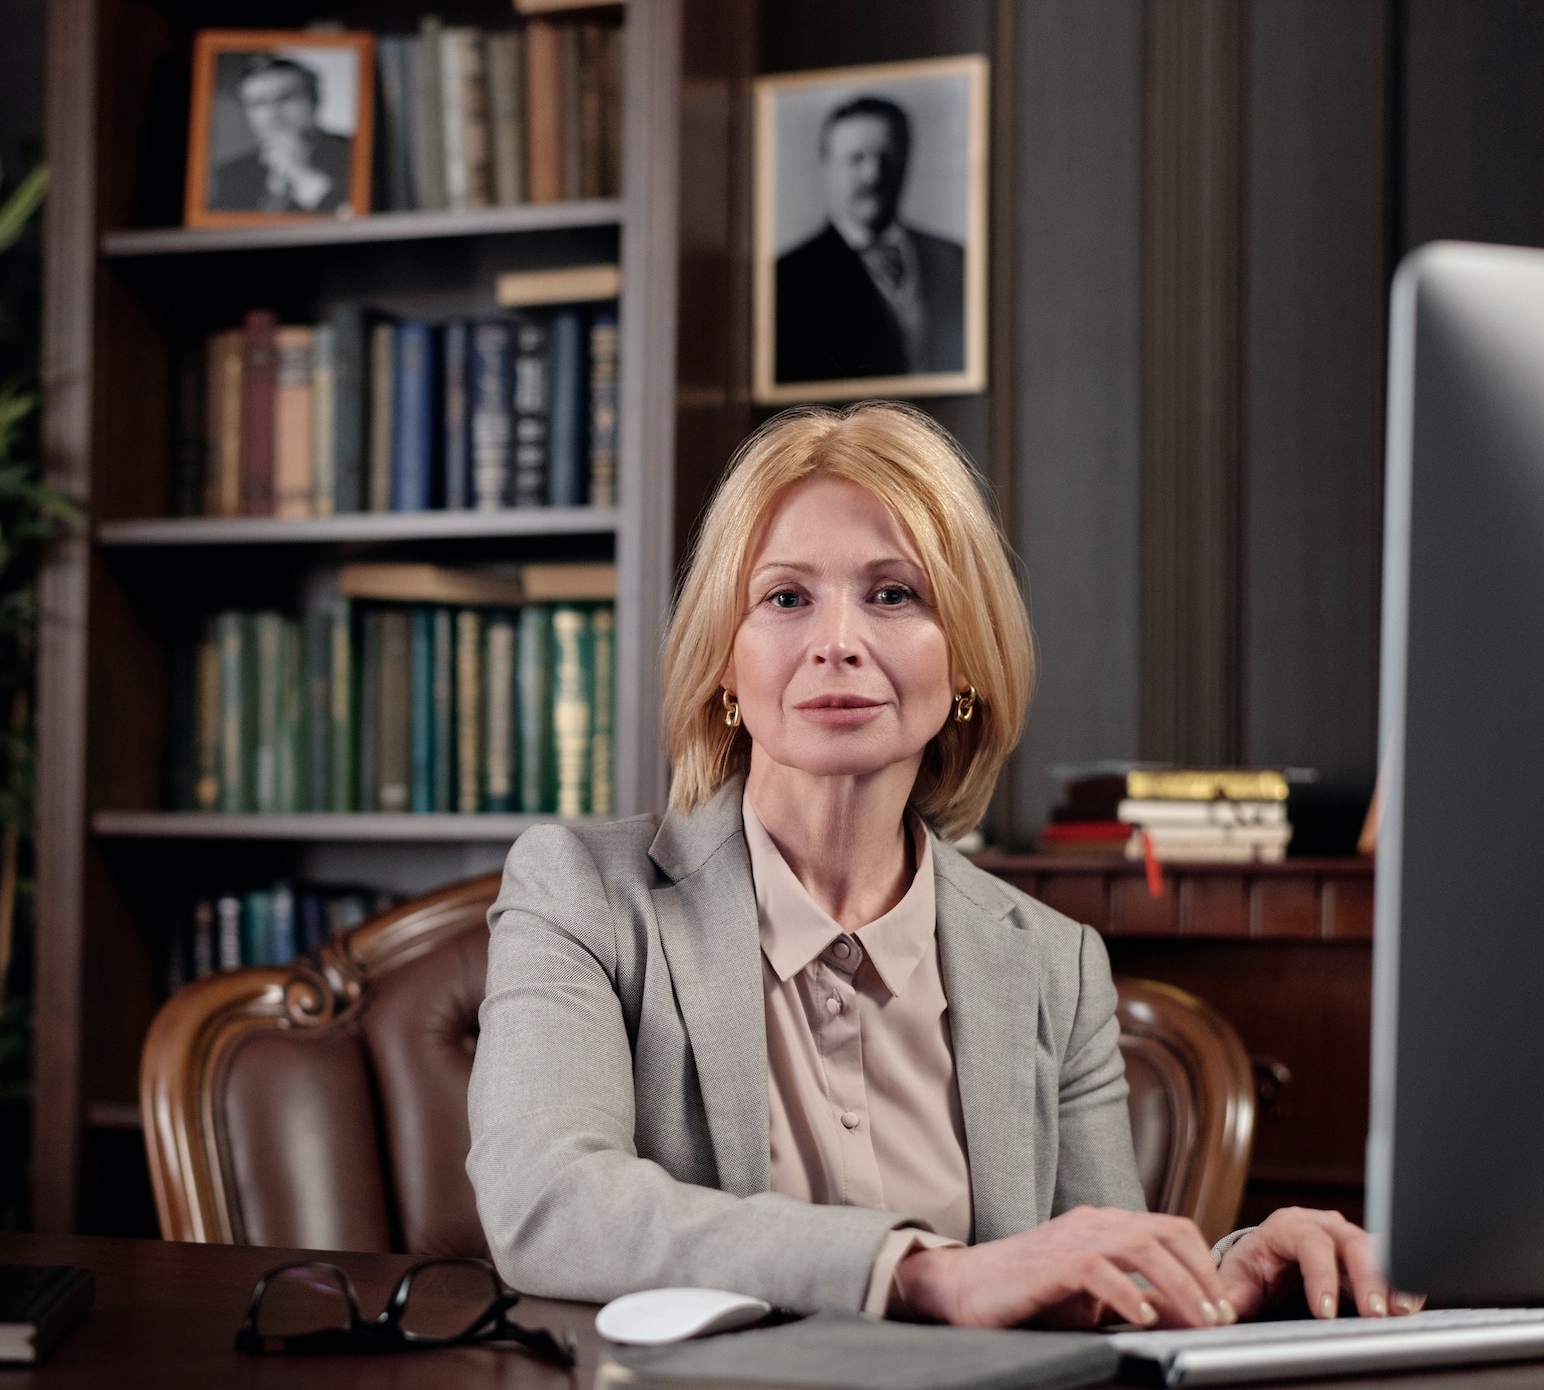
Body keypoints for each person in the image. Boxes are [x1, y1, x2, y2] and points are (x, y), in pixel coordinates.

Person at [467, 404, 1415, 1327]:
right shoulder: (582, 893)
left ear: (964, 658)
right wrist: (919, 1273)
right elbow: (547, 1201)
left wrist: (1231, 1268)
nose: (837, 641)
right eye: (785, 596)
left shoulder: (1054, 963)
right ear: (724, 659)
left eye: (894, 593)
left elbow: (1097, 1277)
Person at [773, 97, 965, 383]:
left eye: (886, 157)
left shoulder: (955, 259)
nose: (873, 175)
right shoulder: (788, 277)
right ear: (827, 167)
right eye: (856, 158)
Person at [210, 55, 352, 215]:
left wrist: (303, 177)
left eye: (285, 98)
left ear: (315, 100)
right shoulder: (231, 174)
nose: (271, 114)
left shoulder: (355, 154)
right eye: (258, 103)